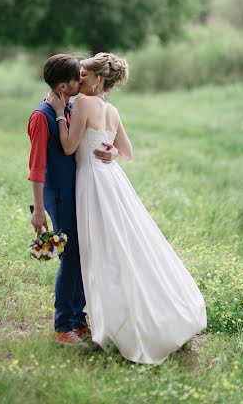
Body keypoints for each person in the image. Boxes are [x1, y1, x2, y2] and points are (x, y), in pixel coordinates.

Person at [47, 52, 207, 364]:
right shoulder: (111, 109)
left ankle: (113, 322)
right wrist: (112, 154)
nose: (78, 79)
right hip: (112, 180)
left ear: (99, 79)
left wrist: (56, 112)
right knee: (124, 245)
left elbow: (68, 146)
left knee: (103, 250)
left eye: (83, 75)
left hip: (92, 182)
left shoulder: (83, 104)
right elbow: (127, 151)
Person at [28, 54, 117, 347]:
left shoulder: (68, 108)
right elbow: (37, 168)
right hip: (59, 196)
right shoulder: (42, 116)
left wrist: (112, 151)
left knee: (82, 253)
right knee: (71, 255)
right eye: (76, 77)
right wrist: (38, 210)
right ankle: (62, 324)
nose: (82, 80)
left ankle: (78, 321)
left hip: (78, 192)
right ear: (63, 86)